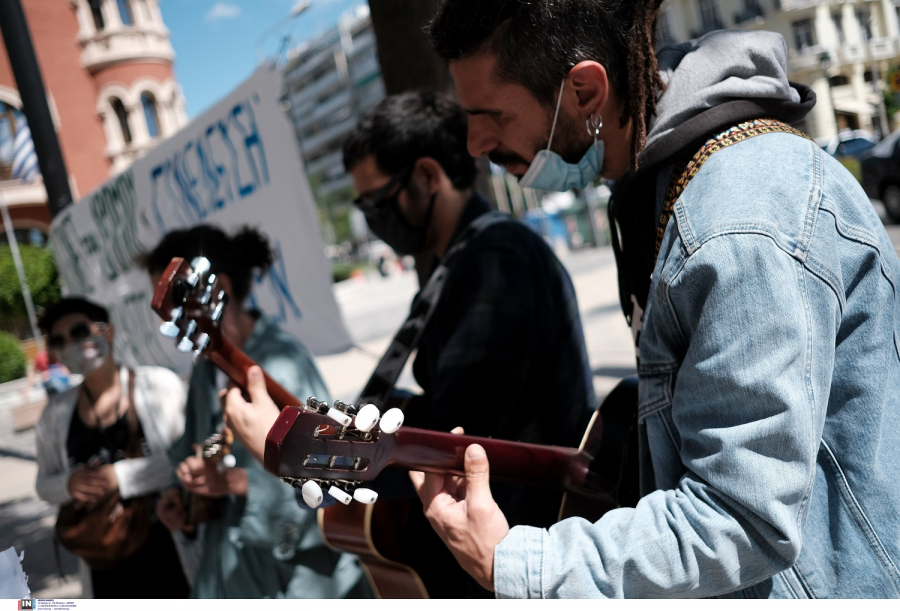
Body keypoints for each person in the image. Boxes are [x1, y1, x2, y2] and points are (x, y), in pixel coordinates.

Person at [411, 0, 900, 599]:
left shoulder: (739, 218)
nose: (474, 142)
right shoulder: (659, 184)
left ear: (585, 91)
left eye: (490, 115)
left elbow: (742, 519)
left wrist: (516, 563)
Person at [224, 90, 596, 597]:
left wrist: (291, 448)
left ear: (426, 176)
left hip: (518, 559)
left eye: (377, 203)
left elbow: (455, 443)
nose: (373, 219)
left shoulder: (497, 261)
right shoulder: (460, 263)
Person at [141, 225, 365, 599]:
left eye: (174, 301)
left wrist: (237, 483)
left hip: (294, 583)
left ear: (217, 288)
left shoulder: (284, 362)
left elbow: (336, 480)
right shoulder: (205, 371)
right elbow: (194, 450)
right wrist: (183, 498)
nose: (169, 319)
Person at [34, 297, 189, 598]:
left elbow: (185, 462)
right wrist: (68, 484)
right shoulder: (54, 415)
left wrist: (118, 477)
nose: (71, 344)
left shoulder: (159, 386)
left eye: (80, 332)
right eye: (58, 341)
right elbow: (43, 484)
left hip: (172, 561)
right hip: (105, 571)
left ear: (108, 331)